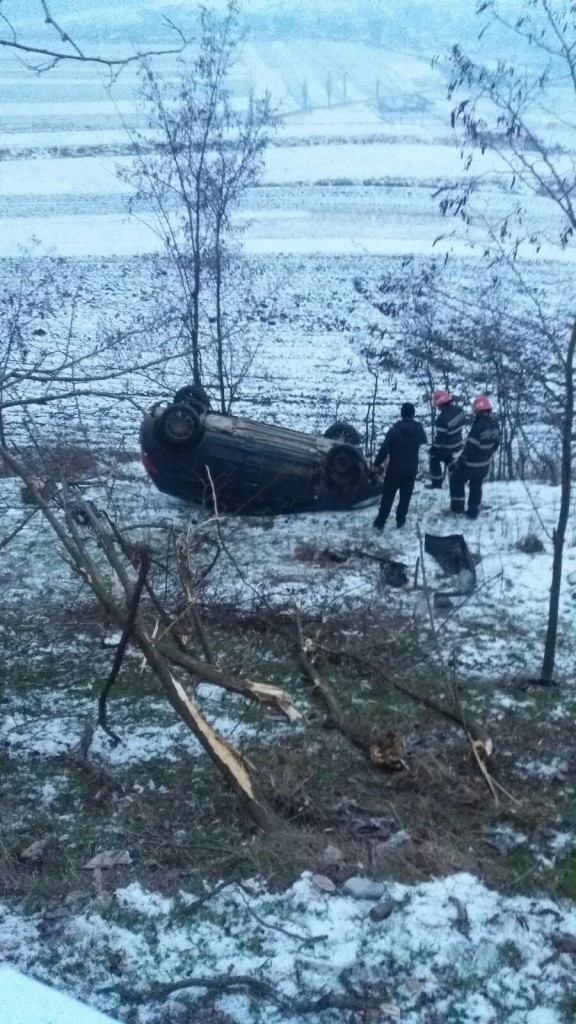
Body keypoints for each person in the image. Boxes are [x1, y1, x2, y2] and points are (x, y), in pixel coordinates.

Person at [373, 402, 428, 531]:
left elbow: (384, 450)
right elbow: (424, 440)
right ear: (413, 414)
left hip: (395, 468)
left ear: (402, 413)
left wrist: (376, 464)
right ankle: (400, 521)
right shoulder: (418, 429)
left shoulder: (394, 430)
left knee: (388, 496)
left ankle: (380, 522)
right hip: (411, 469)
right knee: (405, 497)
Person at [448, 395, 500, 519]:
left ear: (477, 409)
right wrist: (486, 454)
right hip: (484, 464)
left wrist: (458, 463)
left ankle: (457, 507)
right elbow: (496, 444)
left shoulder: (478, 426)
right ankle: (473, 510)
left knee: (456, 479)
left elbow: (470, 448)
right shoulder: (495, 424)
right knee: (476, 485)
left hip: (471, 464)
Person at [425, 389, 465, 489]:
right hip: (458, 442)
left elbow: (440, 439)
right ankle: (455, 472)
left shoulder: (441, 419)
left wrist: (434, 448)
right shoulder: (459, 410)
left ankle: (436, 483)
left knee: (434, 458)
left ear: (440, 404)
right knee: (446, 456)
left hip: (448, 445)